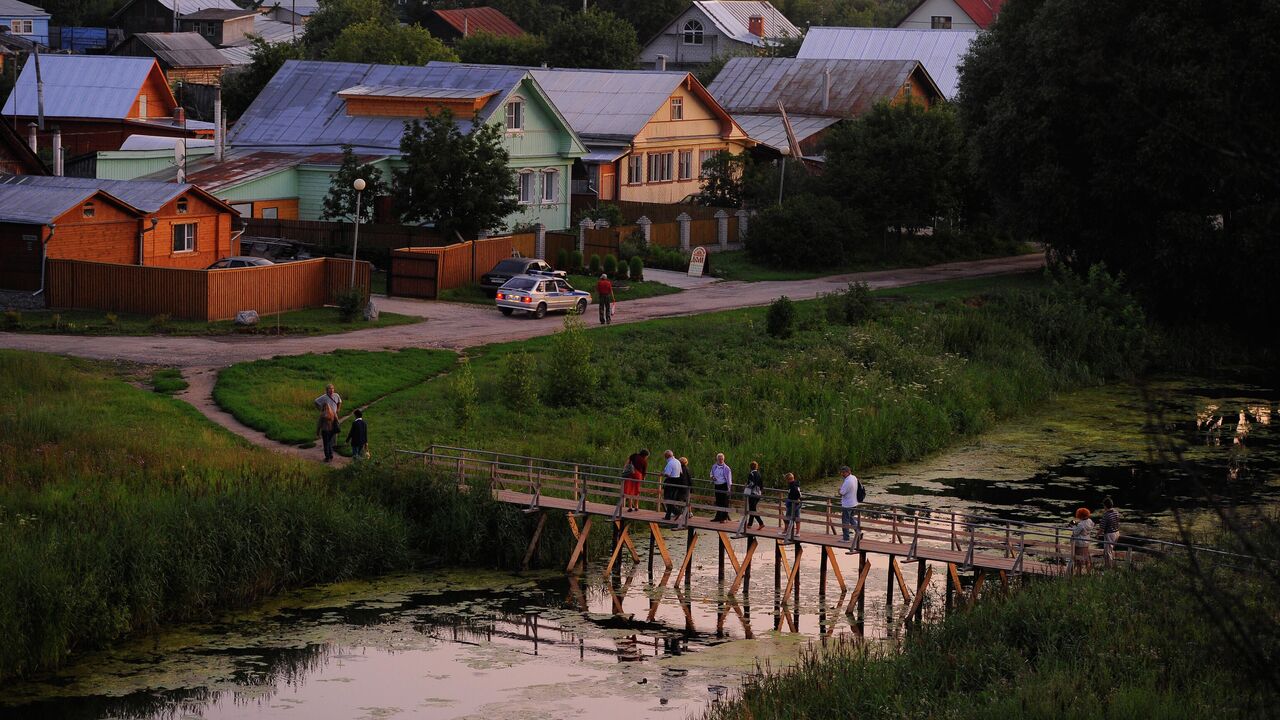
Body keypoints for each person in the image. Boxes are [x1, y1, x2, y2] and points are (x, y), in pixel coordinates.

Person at [838, 465, 860, 547]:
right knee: (851, 518)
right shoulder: (854, 477)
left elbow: (842, 492)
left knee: (845, 521)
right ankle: (858, 532)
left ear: (848, 472)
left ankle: (846, 538)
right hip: (854, 503)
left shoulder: (847, 481)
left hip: (847, 504)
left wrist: (839, 491)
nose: (842, 474)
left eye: (843, 472)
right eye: (841, 472)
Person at [1098, 496, 1122, 568]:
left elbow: (1102, 528)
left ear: (1105, 506)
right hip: (1116, 533)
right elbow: (1118, 522)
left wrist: (1097, 535)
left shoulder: (1106, 515)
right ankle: (1110, 566)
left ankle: (1108, 568)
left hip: (1110, 534)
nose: (1103, 507)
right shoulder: (1116, 512)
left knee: (1107, 552)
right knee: (1110, 551)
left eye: (1104, 505)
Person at [623, 448, 649, 512]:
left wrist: (624, 471)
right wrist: (643, 478)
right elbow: (644, 472)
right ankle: (636, 506)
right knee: (637, 491)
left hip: (631, 474)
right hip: (638, 476)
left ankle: (630, 507)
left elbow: (627, 463)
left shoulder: (634, 455)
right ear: (645, 455)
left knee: (630, 490)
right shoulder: (644, 461)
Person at [1071, 507, 1095, 573]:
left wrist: (1073, 525)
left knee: (1078, 561)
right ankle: (1088, 572)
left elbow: (1075, 533)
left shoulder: (1080, 524)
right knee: (1087, 559)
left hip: (1080, 543)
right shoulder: (1090, 521)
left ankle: (1078, 574)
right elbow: (1092, 525)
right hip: (1086, 543)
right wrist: (1077, 523)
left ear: (1080, 515)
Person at [710, 453, 733, 522]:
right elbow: (711, 474)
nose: (720, 460)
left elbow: (729, 480)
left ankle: (724, 518)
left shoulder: (727, 468)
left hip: (724, 486)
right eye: (719, 459)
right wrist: (712, 477)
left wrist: (729, 489)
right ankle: (718, 517)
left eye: (722, 459)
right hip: (717, 486)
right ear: (717, 459)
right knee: (718, 502)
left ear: (724, 459)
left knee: (725, 502)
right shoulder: (714, 466)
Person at [661, 449, 682, 520]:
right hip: (677, 481)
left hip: (670, 482)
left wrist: (662, 474)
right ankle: (668, 516)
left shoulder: (670, 463)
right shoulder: (677, 461)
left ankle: (677, 511)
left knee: (667, 499)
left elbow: (667, 474)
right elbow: (681, 472)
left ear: (666, 456)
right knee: (671, 499)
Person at [745, 461, 765, 529]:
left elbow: (751, 483)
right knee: (752, 509)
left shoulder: (751, 474)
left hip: (753, 493)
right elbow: (761, 485)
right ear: (757, 467)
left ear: (750, 467)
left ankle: (760, 523)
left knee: (752, 509)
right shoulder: (759, 474)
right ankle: (749, 524)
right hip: (758, 493)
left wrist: (747, 487)